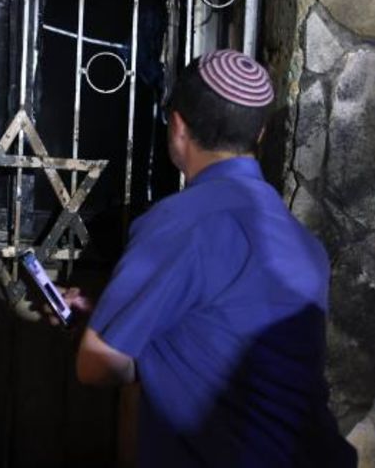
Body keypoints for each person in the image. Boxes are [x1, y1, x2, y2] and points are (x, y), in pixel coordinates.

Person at [63, 49, 357, 467]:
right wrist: (115, 318)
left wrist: (115, 339)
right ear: (259, 134)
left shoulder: (180, 222)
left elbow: (97, 366)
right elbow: (221, 337)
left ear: (178, 127)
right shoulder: (303, 242)